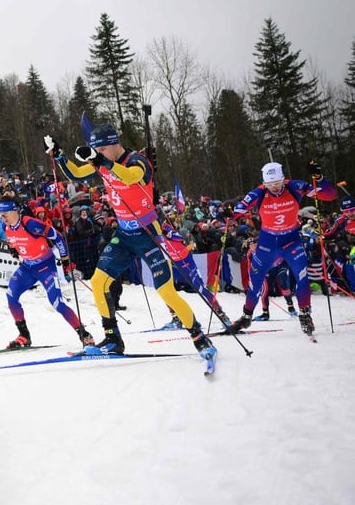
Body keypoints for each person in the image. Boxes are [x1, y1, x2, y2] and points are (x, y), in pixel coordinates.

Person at [44, 126, 216, 362]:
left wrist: (101, 160)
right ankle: (113, 339)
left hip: (148, 234)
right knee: (98, 282)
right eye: (97, 150)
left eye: (103, 148)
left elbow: (131, 176)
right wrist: (59, 155)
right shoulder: (102, 161)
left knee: (165, 291)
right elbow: (75, 174)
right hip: (125, 235)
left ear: (115, 144)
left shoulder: (138, 161)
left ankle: (199, 338)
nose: (100, 153)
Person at [225, 161, 336, 338]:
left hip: (291, 241)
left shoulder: (294, 187)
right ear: (264, 183)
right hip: (268, 243)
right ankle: (246, 316)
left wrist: (320, 179)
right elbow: (237, 210)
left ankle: (305, 315)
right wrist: (228, 213)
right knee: (255, 281)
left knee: (302, 276)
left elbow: (330, 195)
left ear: (283, 180)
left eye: (277, 184)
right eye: (270, 185)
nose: (274, 188)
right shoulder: (259, 192)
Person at [0, 198, 95, 349]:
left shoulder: (30, 223)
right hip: (27, 267)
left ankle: (84, 334)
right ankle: (24, 336)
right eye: (1, 215)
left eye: (6, 214)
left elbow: (58, 237)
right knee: (11, 295)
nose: (3, 218)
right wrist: (13, 249)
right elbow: (12, 240)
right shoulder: (5, 225)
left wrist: (66, 260)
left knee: (57, 303)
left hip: (45, 267)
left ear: (15, 211)